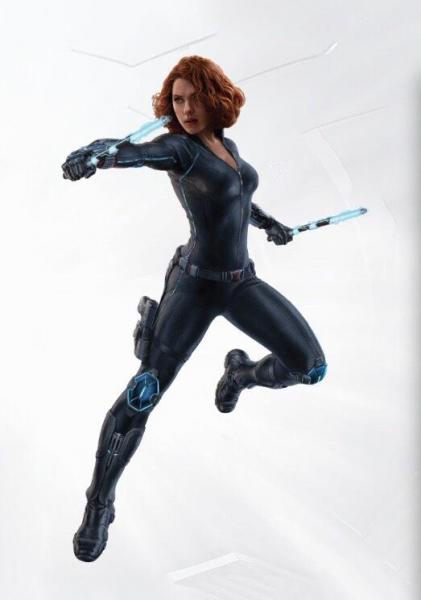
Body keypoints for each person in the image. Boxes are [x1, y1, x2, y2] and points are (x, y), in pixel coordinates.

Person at [62, 55, 327, 562]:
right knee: (143, 392)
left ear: (215, 99)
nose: (186, 109)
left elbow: (237, 198)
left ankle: (241, 374)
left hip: (241, 283)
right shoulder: (178, 150)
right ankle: (99, 503)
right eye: (177, 100)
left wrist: (268, 224)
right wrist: (96, 155)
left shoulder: (228, 148)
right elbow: (135, 153)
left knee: (310, 367)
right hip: (194, 286)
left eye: (195, 99)